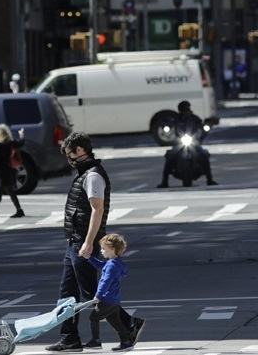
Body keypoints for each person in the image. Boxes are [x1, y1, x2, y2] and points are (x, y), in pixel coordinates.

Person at [45, 132, 146, 353]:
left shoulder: (93, 176)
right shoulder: (85, 174)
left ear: (80, 150)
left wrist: (89, 243)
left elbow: (97, 210)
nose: (69, 159)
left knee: (93, 294)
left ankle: (129, 325)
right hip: (75, 240)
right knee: (67, 292)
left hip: (82, 241)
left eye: (71, 154)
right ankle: (69, 338)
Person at [84, 233, 133, 352]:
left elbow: (106, 282)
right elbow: (101, 266)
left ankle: (95, 340)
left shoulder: (111, 266)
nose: (101, 251)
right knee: (116, 322)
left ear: (112, 249)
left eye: (103, 248)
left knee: (93, 318)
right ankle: (125, 341)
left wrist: (98, 296)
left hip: (107, 299)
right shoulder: (115, 263)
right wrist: (89, 258)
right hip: (114, 300)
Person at [156, 101, 217, 188]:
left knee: (204, 155)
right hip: (179, 142)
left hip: (193, 141)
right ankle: (164, 182)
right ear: (180, 110)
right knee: (169, 156)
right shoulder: (176, 118)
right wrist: (166, 126)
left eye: (188, 109)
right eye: (184, 109)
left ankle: (209, 179)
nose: (187, 111)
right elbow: (170, 123)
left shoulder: (194, 118)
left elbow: (202, 126)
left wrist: (202, 134)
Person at [0, 124, 25, 218]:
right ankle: (19, 210)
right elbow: (21, 143)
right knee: (9, 191)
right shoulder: (11, 143)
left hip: (0, 173)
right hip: (9, 170)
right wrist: (22, 135)